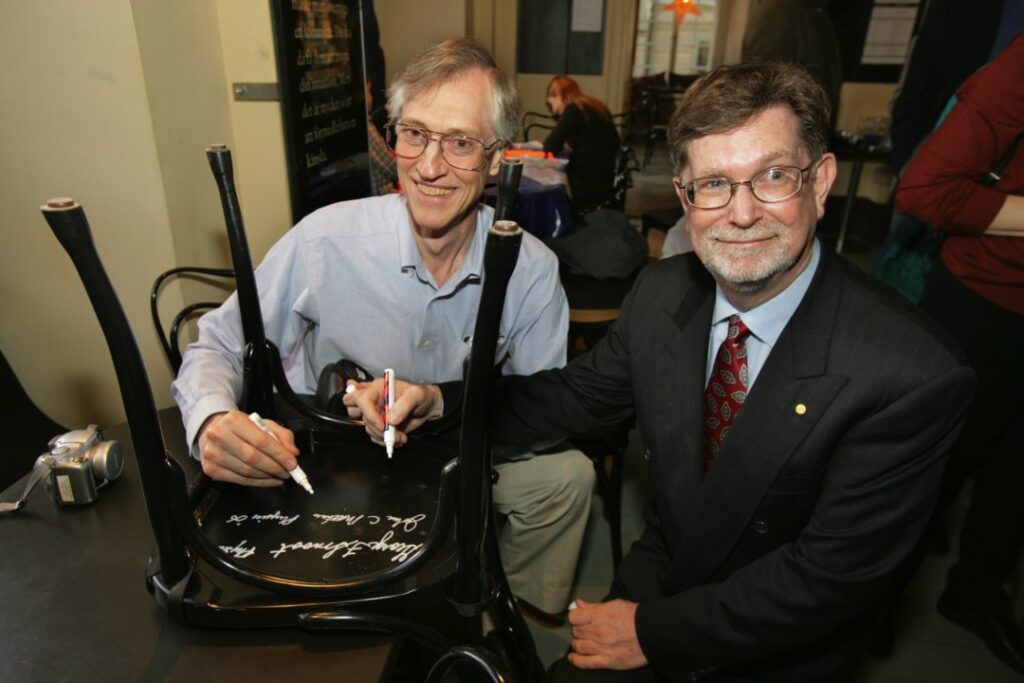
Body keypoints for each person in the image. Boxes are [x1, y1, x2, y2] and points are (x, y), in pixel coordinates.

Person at [354, 61, 976, 681]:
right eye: (713, 184)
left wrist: (652, 633)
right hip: (665, 575)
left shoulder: (912, 374)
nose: (740, 213)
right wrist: (438, 400)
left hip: (777, 648)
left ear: (821, 183)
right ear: (684, 198)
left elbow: (828, 578)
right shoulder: (662, 292)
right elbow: (572, 396)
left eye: (773, 177)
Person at [172, 37, 594, 617]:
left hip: (458, 459)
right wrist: (212, 420)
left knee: (566, 477)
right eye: (415, 133)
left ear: (498, 158)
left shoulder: (531, 271)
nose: (428, 166)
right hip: (329, 461)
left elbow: (544, 412)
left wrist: (444, 408)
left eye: (461, 143)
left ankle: (504, 617)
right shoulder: (325, 241)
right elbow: (216, 343)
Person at [895, 33, 1024, 675]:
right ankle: (874, 605)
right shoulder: (1019, 69)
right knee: (933, 469)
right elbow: (924, 190)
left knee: (1014, 480)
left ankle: (976, 594)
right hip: (984, 305)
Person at [741, 0, 842, 128]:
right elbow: (763, 90)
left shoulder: (814, 11)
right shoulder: (780, 12)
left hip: (808, 133)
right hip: (788, 135)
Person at [543, 75, 620, 217]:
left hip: (587, 182)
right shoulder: (595, 105)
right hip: (606, 177)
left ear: (559, 95)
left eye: (551, 102)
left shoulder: (574, 109)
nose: (552, 108)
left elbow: (549, 146)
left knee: (551, 186)